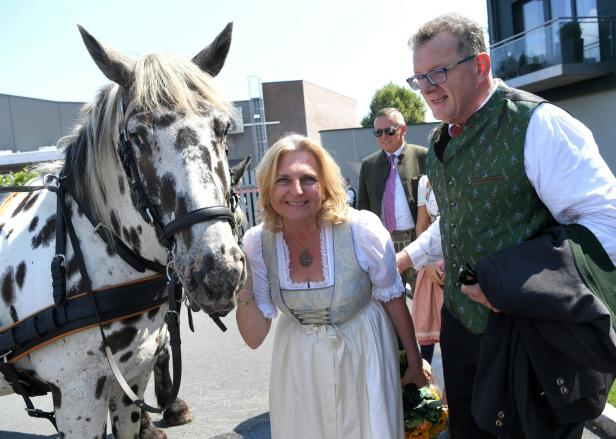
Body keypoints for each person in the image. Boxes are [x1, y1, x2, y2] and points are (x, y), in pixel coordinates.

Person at [396, 13, 616, 438]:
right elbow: (457, 219)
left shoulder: (538, 124)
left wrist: (513, 283)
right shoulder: (442, 140)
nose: (426, 88)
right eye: (419, 78)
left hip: (531, 338)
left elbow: (606, 224)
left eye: (438, 72)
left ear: (480, 66)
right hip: (461, 331)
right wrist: (403, 258)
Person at [236, 134, 430, 439]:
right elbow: (254, 338)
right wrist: (242, 281)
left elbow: (393, 299)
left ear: (325, 184)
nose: (296, 190)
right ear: (267, 187)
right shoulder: (258, 242)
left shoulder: (361, 230)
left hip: (365, 351)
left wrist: (415, 362)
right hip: (298, 363)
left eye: (308, 179)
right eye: (283, 180)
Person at [357, 108, 427, 296]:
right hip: (383, 243)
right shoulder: (369, 165)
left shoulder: (423, 156)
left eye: (389, 131)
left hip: (416, 240)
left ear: (403, 129)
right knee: (390, 298)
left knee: (423, 296)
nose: (383, 137)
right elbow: (363, 208)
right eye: (378, 132)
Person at [411, 174, 444, 365]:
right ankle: (426, 376)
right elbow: (421, 225)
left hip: (459, 254)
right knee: (427, 320)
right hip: (432, 254)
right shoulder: (425, 182)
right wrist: (427, 263)